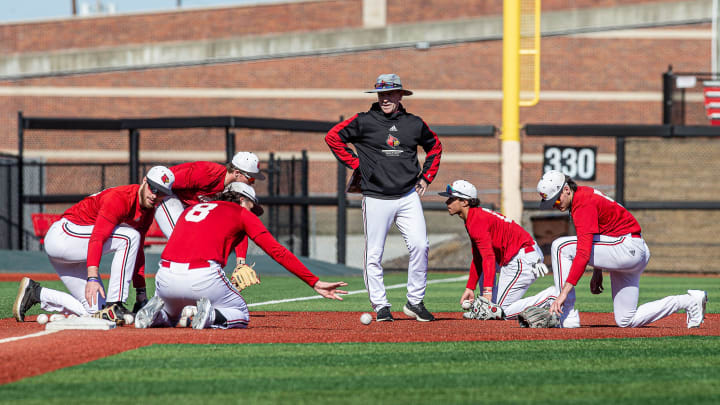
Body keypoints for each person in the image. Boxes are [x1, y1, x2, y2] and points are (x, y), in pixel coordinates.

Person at [134, 182, 348, 329]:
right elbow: (277, 251)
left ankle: (157, 313)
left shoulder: (193, 209)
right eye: (251, 206)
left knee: (173, 315)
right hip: (202, 277)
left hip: (164, 277)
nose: (252, 212)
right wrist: (314, 282)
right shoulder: (241, 213)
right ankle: (211, 316)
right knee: (240, 312)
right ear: (242, 199)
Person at [325, 73, 442, 322]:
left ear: (400, 95)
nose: (385, 98)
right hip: (376, 196)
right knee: (374, 254)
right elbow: (332, 137)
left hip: (408, 194)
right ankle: (381, 305)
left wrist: (426, 177)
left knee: (421, 246)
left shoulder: (414, 123)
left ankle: (415, 302)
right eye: (381, 94)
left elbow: (435, 147)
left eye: (390, 93)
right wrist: (355, 163)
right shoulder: (363, 121)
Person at [537, 170, 707, 328]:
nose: (555, 205)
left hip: (626, 247)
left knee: (560, 246)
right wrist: (598, 270)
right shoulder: (583, 196)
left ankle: (567, 315)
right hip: (631, 249)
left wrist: (563, 295)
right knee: (626, 319)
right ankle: (689, 301)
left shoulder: (583, 202)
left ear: (566, 189)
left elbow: (583, 252)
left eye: (556, 200)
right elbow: (601, 233)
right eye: (551, 203)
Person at [12, 166, 175, 322]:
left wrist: (141, 293)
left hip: (77, 247)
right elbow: (97, 237)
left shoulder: (148, 211)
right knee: (129, 236)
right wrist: (92, 277)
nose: (155, 195)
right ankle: (115, 303)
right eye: (153, 188)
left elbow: (137, 250)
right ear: (144, 181)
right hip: (63, 235)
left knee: (95, 311)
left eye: (161, 193)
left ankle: (36, 293)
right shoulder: (120, 198)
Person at [440, 180, 556, 319]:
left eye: (451, 199)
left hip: (523, 256)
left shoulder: (476, 220)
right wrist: (470, 287)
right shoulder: (473, 217)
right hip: (519, 254)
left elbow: (489, 257)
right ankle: (483, 307)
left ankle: (550, 296)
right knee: (493, 308)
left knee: (500, 311)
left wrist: (487, 291)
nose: (447, 202)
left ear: (465, 202)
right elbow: (479, 257)